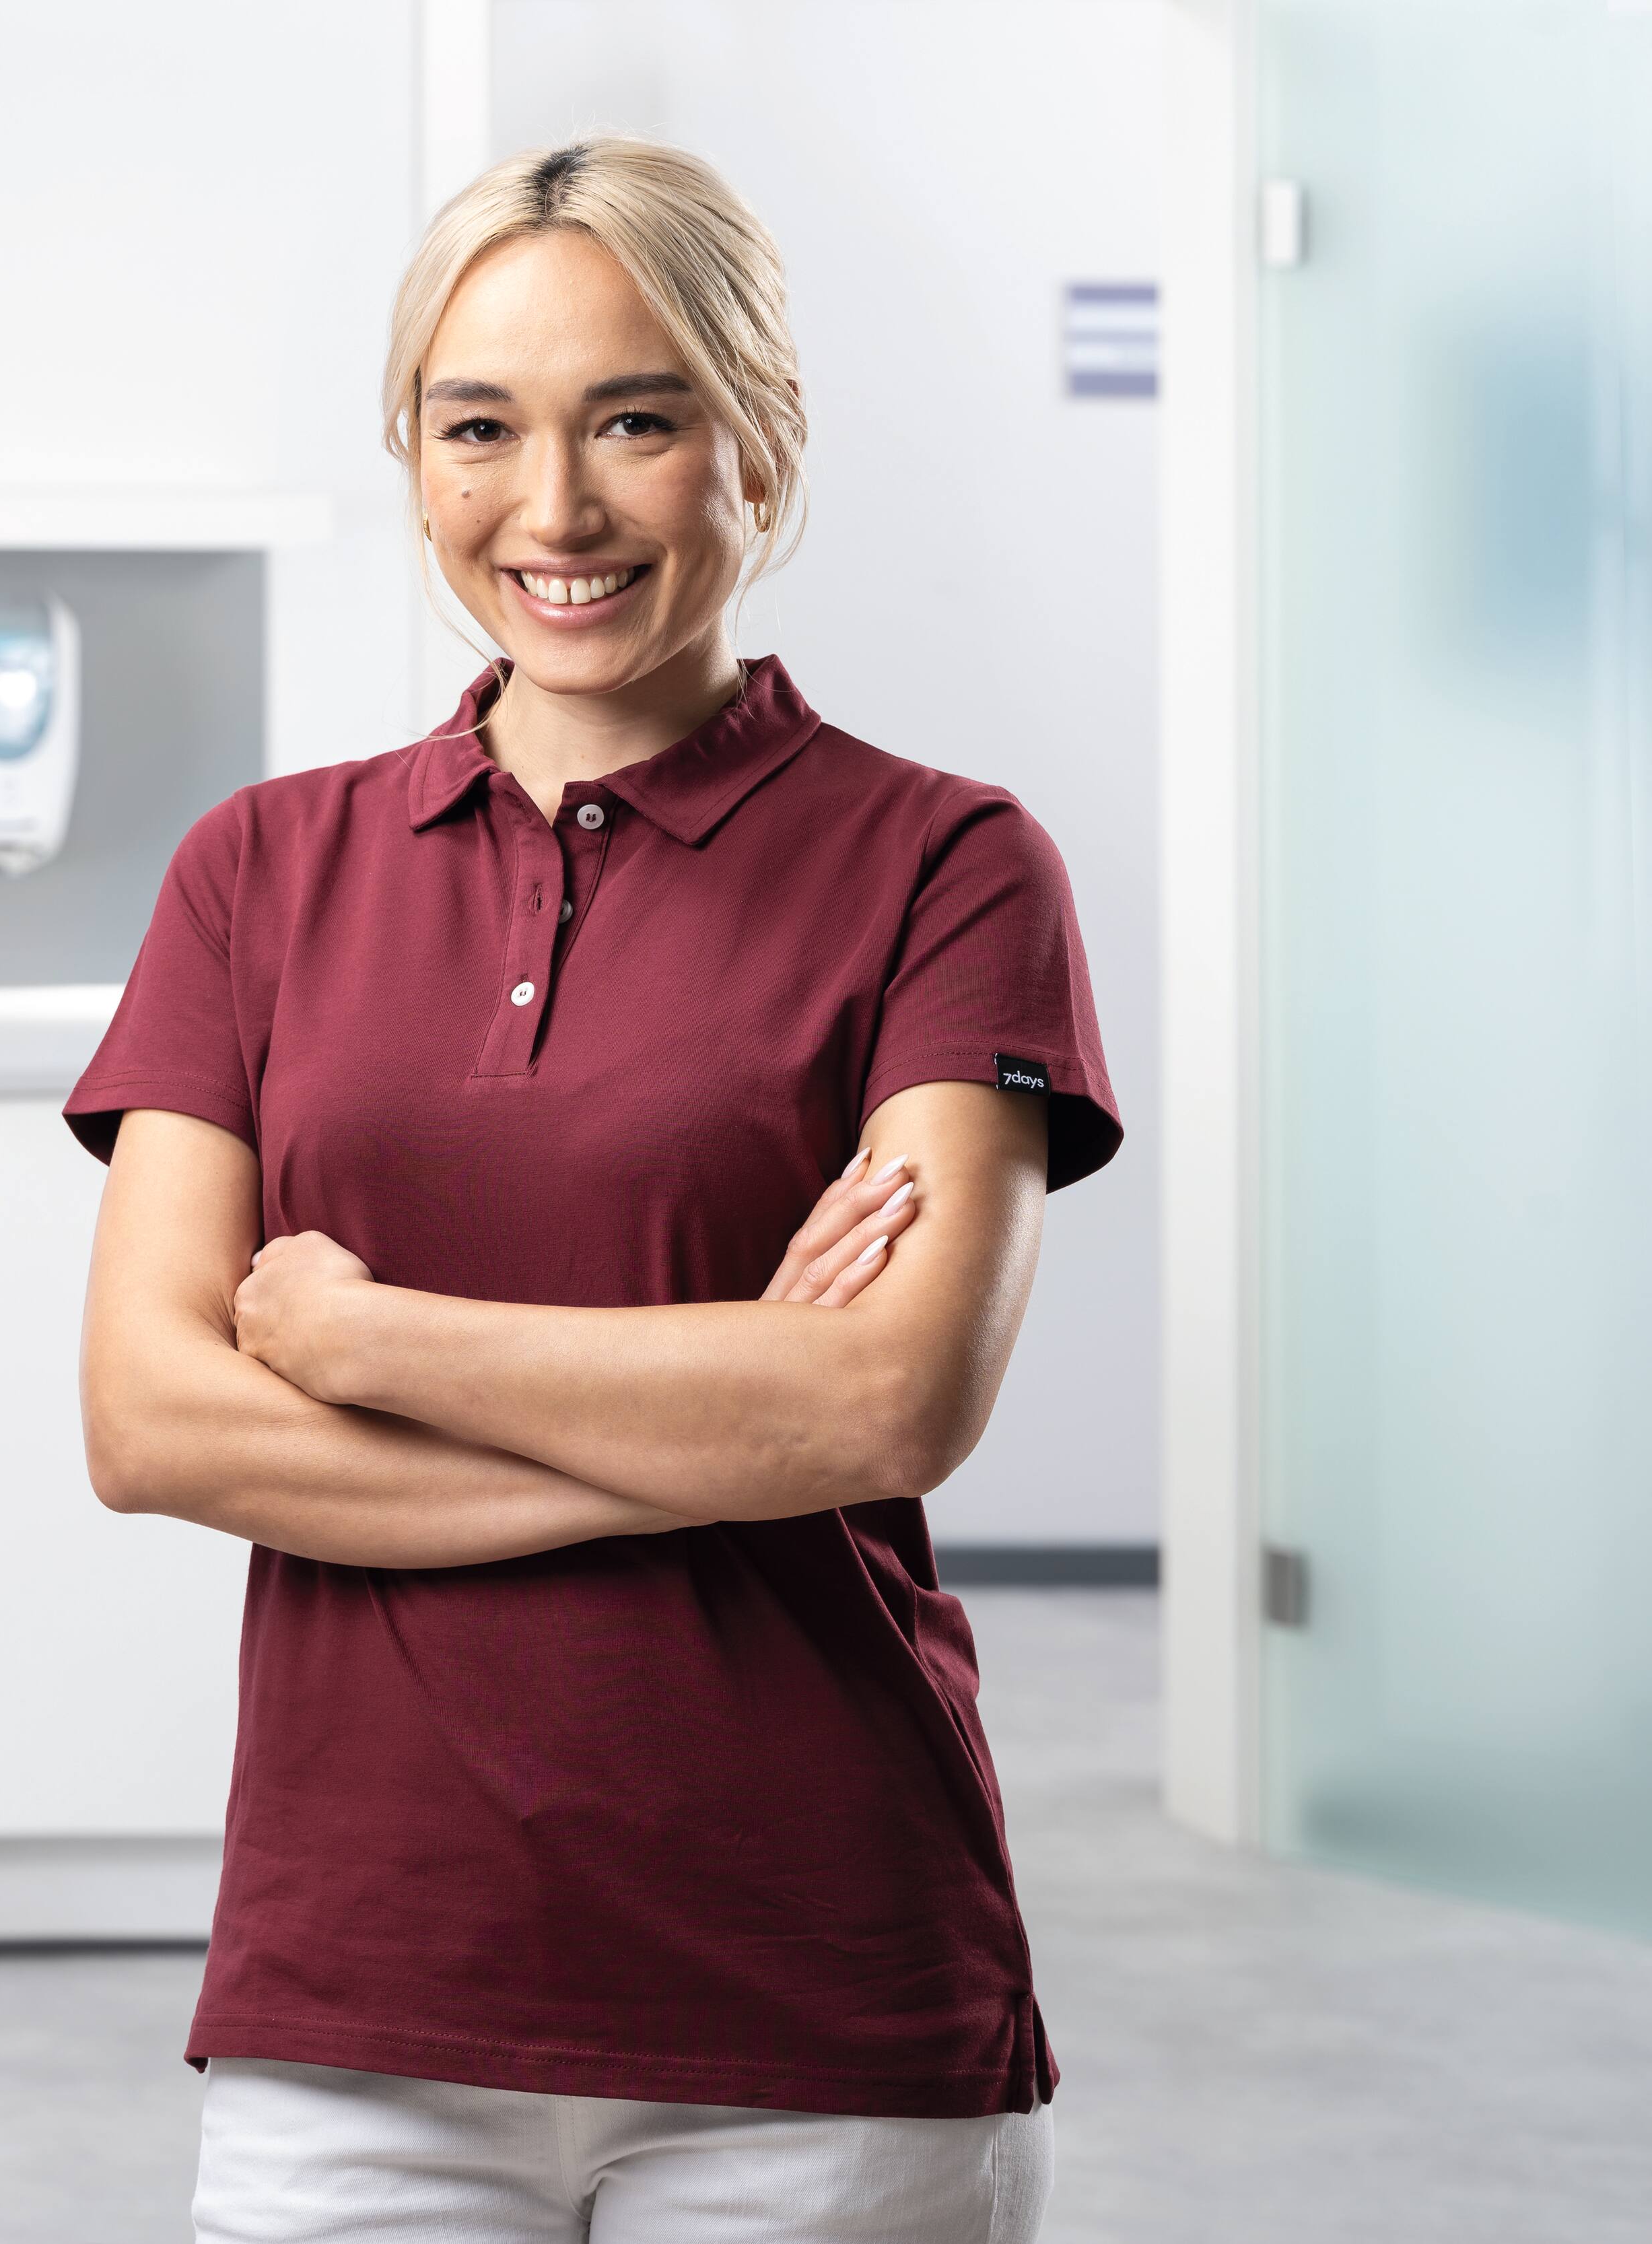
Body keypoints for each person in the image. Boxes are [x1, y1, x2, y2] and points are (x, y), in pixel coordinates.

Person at [69, 139, 1118, 2244]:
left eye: (636, 420)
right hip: (357, 2003)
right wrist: (722, 1424)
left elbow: (890, 1406)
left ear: (763, 439)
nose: (552, 511)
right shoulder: (258, 874)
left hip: (820, 2012)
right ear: (417, 454)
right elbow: (154, 1423)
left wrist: (363, 1345)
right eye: (482, 429)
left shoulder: (948, 864)